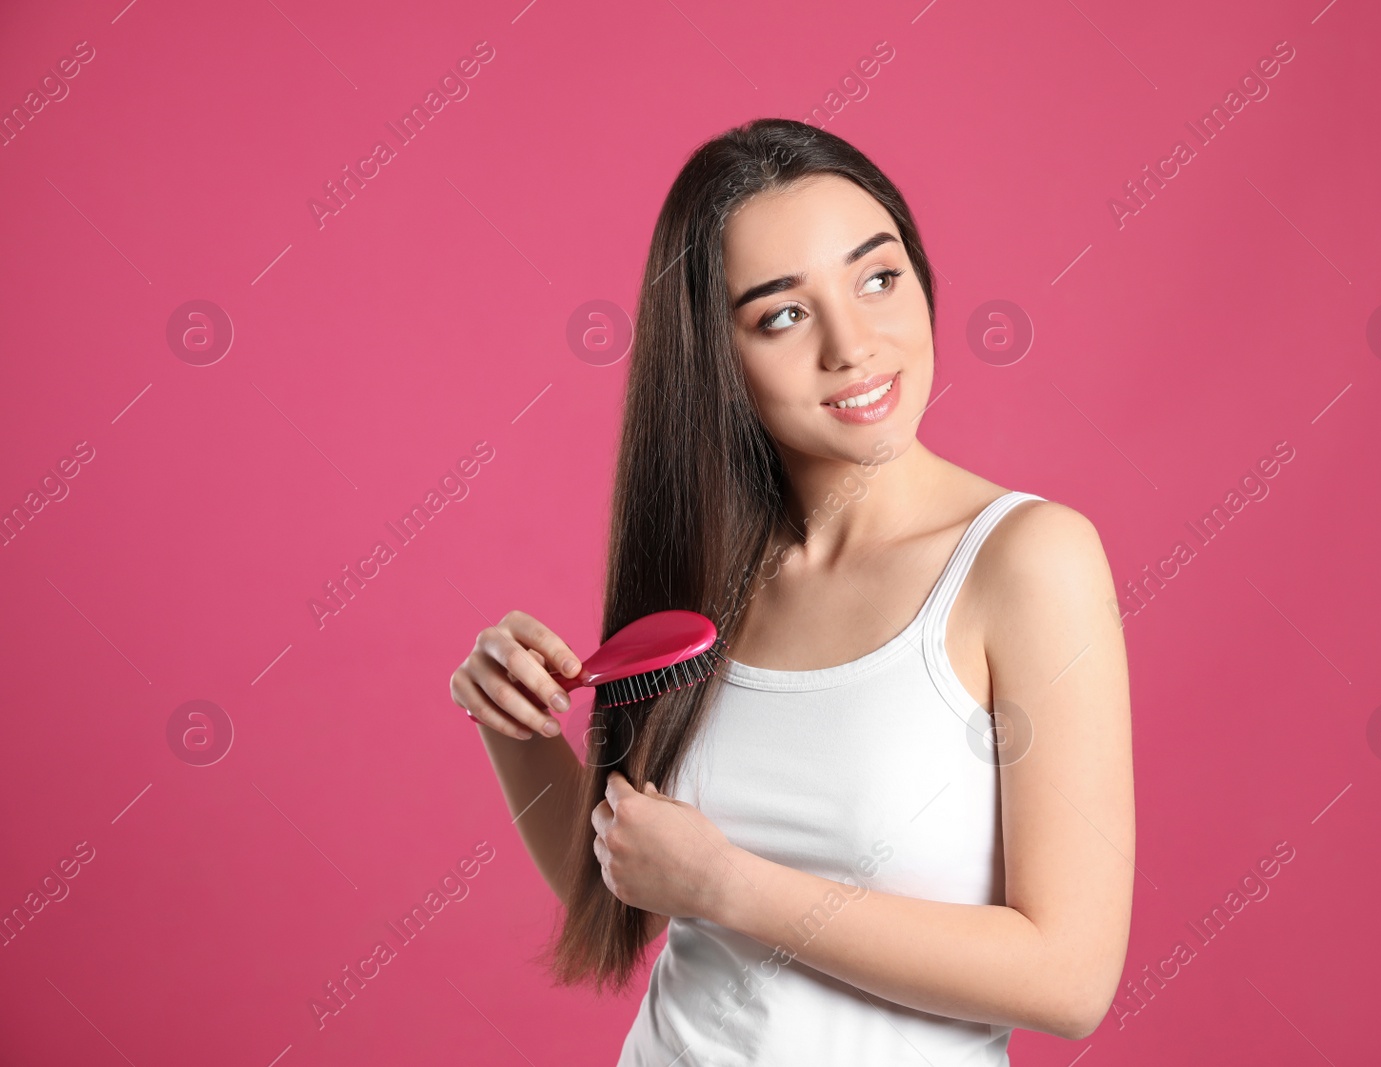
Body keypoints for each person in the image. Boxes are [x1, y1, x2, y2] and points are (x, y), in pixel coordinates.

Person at [448, 117, 1134, 1065]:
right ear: (715, 359)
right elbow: (623, 893)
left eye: (878, 277)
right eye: (782, 313)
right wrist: (514, 723)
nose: (853, 344)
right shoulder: (706, 575)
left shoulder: (1028, 560)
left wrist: (733, 886)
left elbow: (1071, 977)